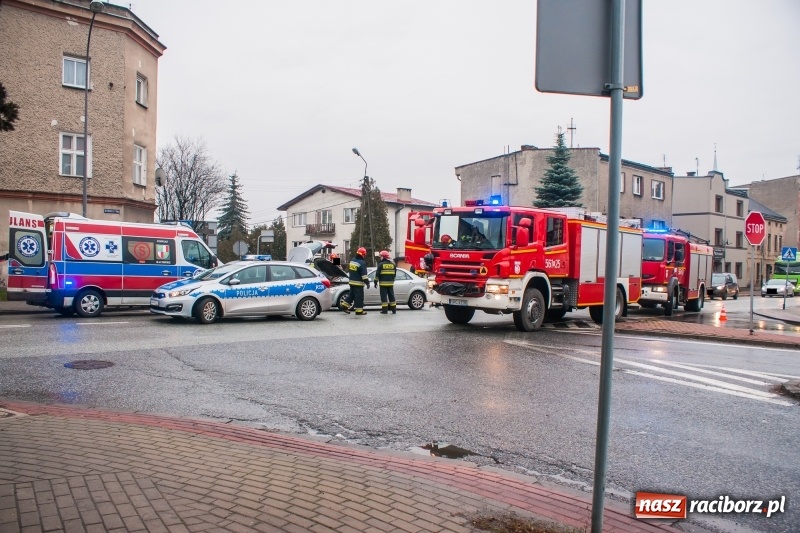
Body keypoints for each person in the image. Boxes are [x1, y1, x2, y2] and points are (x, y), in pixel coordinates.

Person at [341, 247, 370, 315]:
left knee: (351, 295)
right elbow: (364, 276)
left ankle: (344, 305)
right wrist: (367, 283)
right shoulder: (362, 263)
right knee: (359, 297)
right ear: (363, 255)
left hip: (351, 282)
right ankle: (359, 311)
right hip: (358, 283)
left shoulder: (352, 261)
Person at [376, 250, 397, 314]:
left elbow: (377, 275)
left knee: (384, 298)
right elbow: (394, 274)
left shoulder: (380, 265)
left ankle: (385, 311)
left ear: (384, 257)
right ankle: (394, 310)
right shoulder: (393, 265)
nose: (380, 258)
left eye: (381, 256)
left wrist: (375, 282)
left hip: (383, 285)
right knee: (392, 297)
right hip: (390, 284)